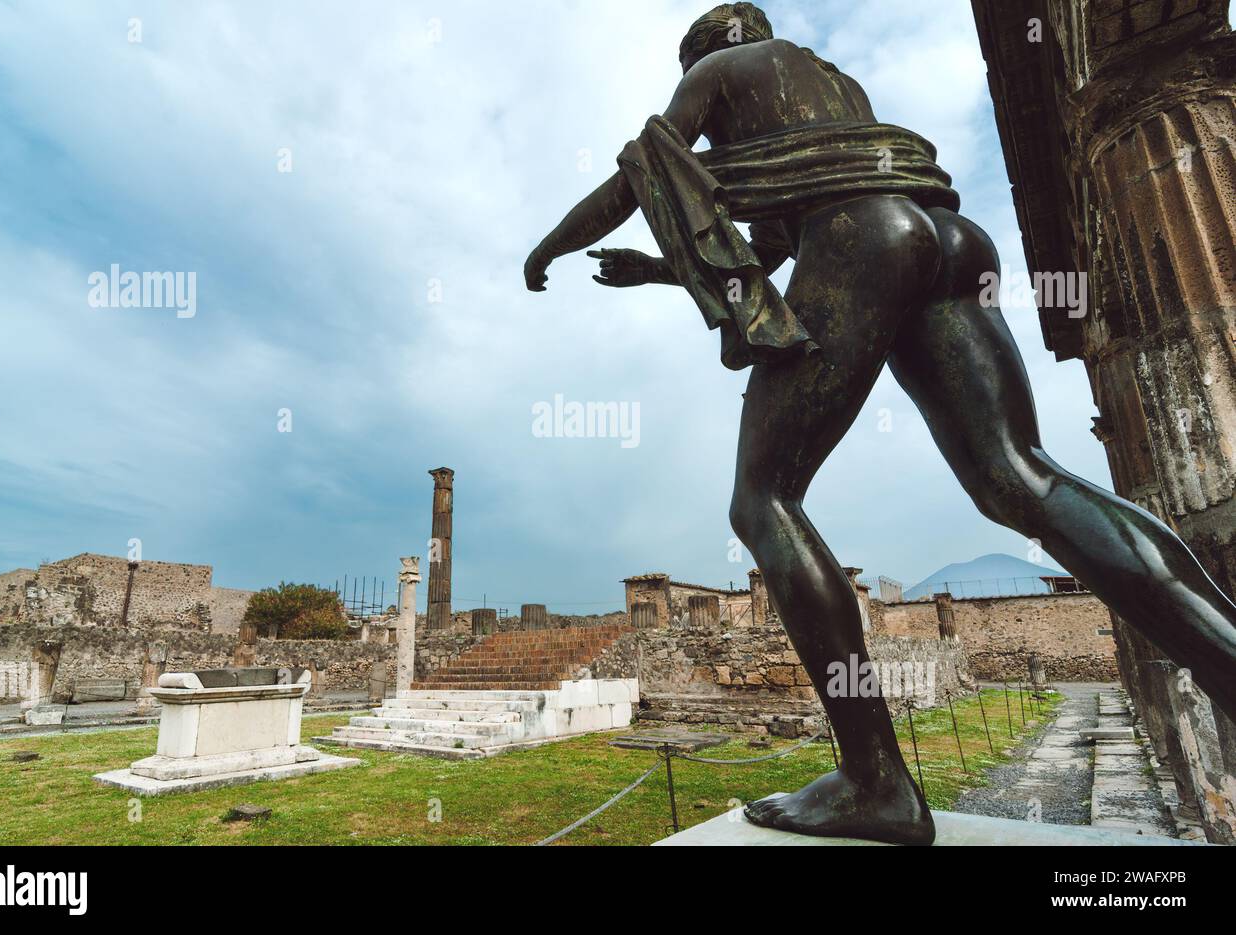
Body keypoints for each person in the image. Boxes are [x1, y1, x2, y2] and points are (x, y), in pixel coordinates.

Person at [524, 2, 1236, 845]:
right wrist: (653, 271)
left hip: (863, 238)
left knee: (763, 501)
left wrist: (548, 247)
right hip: (949, 237)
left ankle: (874, 777)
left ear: (713, 46)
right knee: (1021, 475)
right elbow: (777, 249)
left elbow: (640, 176)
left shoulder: (720, 69)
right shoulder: (835, 85)